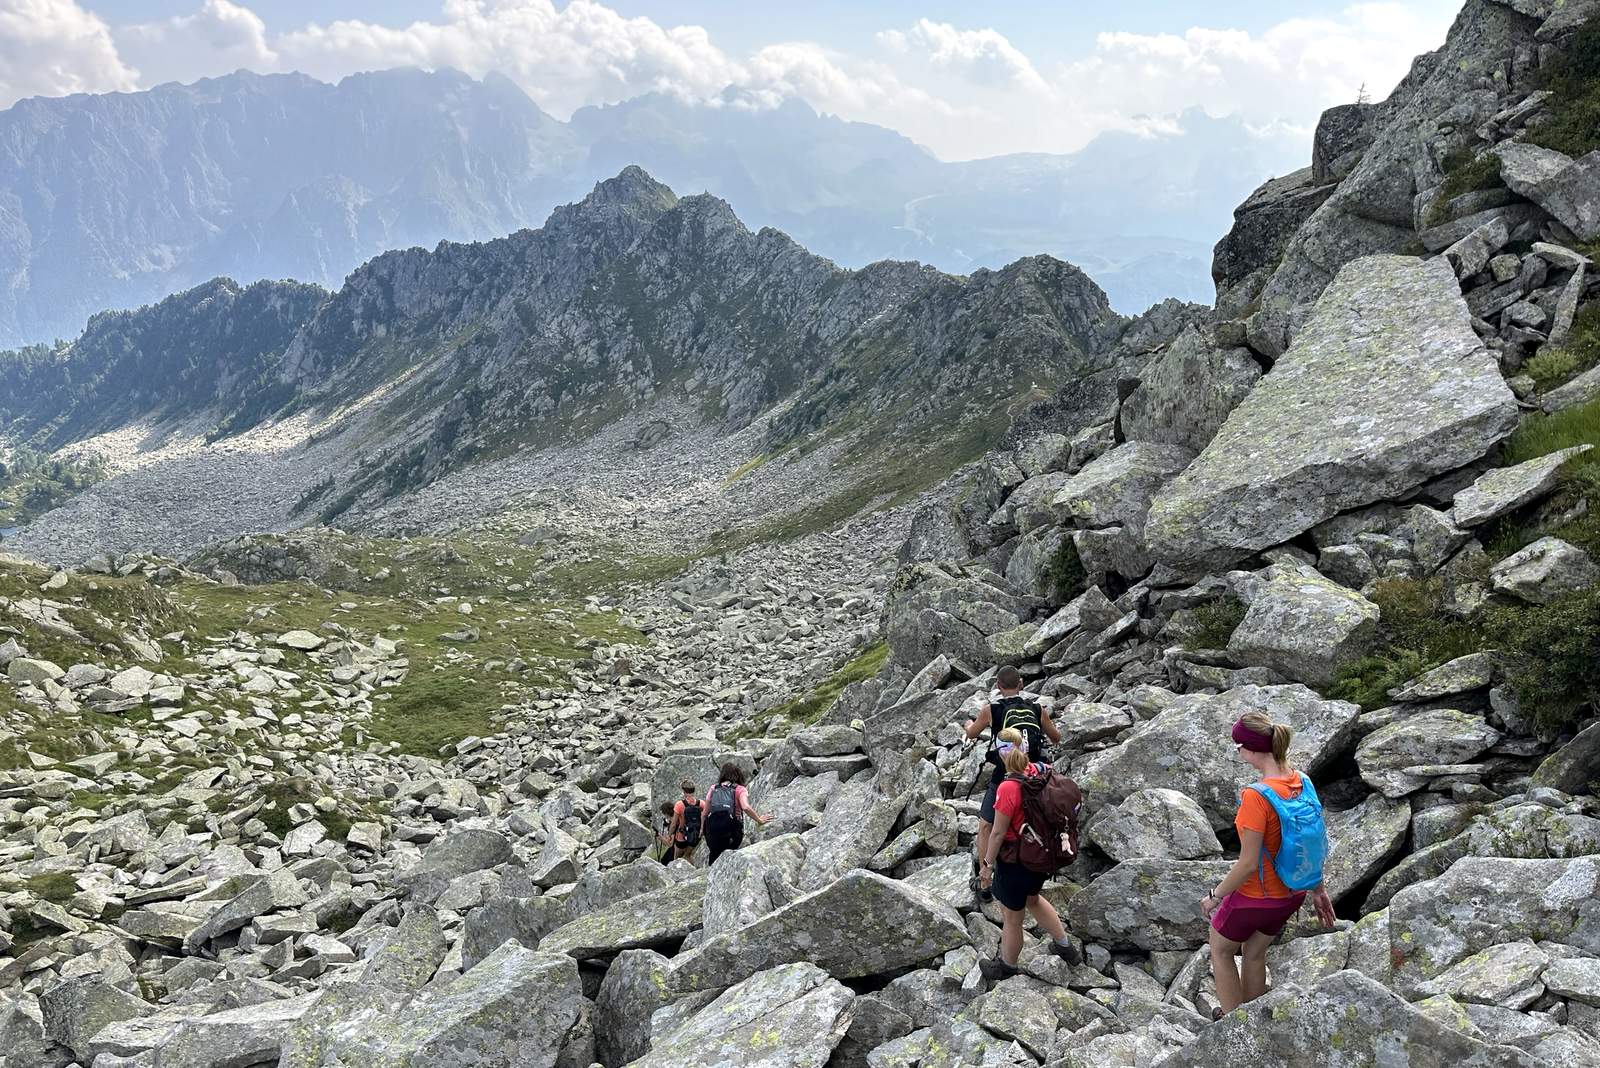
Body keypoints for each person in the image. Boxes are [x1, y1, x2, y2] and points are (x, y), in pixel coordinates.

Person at [1201, 711, 1336, 1017]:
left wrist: (1214, 896)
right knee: (1253, 952)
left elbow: (1248, 864)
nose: (1238, 752)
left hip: (1255, 898)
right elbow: (1312, 841)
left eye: (1238, 746)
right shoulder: (1303, 781)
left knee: (1220, 949)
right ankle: (1253, 1020)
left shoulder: (1256, 796)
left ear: (1250, 749)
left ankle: (1234, 1025)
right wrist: (1318, 889)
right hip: (1293, 893)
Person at [977, 727, 1081, 979]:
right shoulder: (1040, 770)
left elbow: (997, 833)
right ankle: (1066, 948)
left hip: (1017, 860)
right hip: (1043, 856)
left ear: (1001, 754)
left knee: (1012, 918)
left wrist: (986, 866)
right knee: (1033, 898)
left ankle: (1006, 966)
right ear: (1024, 748)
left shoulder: (1007, 787)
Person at [964, 665, 1061, 902]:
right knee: (1034, 821)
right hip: (1034, 777)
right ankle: (1038, 863)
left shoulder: (991, 709)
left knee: (986, 826)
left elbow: (972, 733)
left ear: (998, 686)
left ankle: (985, 882)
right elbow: (1056, 738)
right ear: (1021, 684)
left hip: (1005, 777)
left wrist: (967, 725)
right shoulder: (1038, 709)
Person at [703, 763, 772, 865]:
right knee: (729, 856)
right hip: (732, 832)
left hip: (713, 831)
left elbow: (704, 813)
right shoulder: (740, 789)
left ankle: (713, 869)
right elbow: (745, 807)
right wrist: (759, 820)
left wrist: (702, 830)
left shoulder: (714, 788)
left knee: (714, 854)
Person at [662, 780, 705, 863]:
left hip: (682, 836)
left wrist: (669, 835)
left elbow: (673, 824)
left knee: (676, 859)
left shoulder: (679, 804)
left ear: (684, 791)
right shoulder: (701, 803)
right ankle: (693, 870)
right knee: (688, 855)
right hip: (696, 835)